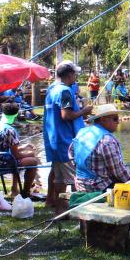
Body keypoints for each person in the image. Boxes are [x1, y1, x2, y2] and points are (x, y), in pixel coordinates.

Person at [44, 61, 93, 214]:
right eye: (75, 74)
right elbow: (66, 115)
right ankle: (79, 212)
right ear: (69, 75)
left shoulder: (51, 90)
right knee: (75, 179)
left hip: (54, 141)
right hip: (65, 142)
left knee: (59, 179)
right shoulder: (64, 91)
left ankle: (61, 211)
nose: (75, 77)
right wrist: (84, 111)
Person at [70, 104, 130, 198]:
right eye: (115, 119)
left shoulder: (82, 132)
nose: (118, 122)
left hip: (80, 183)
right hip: (97, 187)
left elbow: (71, 155)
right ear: (103, 120)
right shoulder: (107, 140)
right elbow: (118, 172)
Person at [0, 102, 39, 198]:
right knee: (33, 161)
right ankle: (26, 193)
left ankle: (15, 189)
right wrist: (30, 153)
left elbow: (7, 147)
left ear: (2, 113)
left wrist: (24, 146)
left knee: (18, 158)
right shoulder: (10, 130)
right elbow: (16, 155)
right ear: (16, 115)